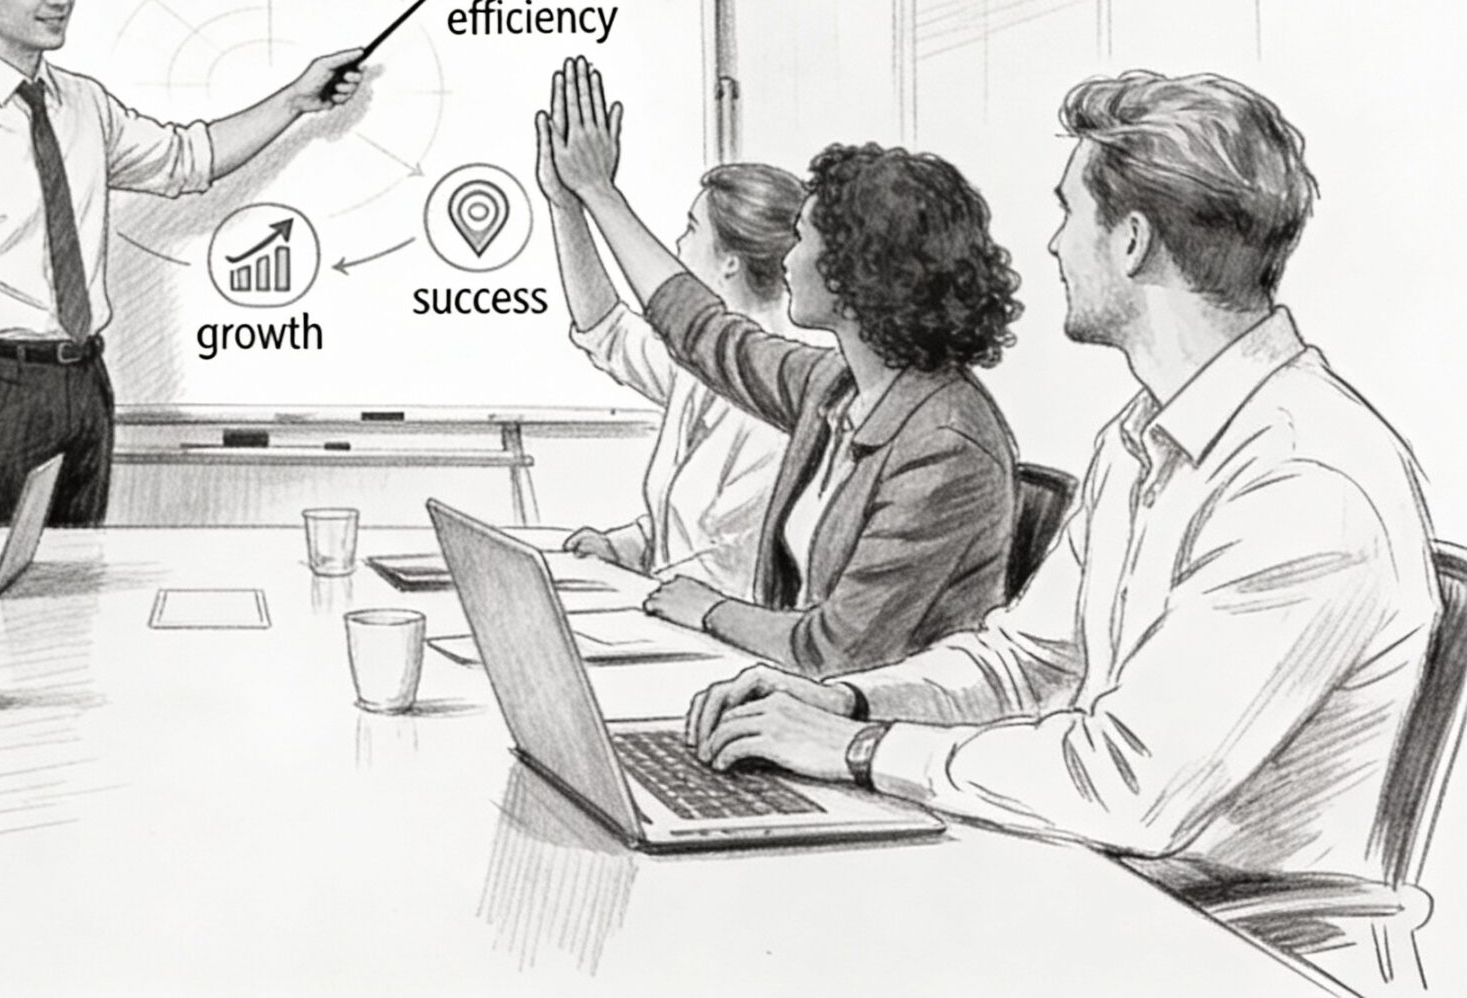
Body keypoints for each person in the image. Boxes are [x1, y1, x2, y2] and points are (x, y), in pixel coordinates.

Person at [684, 73, 1437, 985]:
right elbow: (1023, 662)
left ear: (1130, 240)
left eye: (1068, 212)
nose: (1051, 242)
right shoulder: (1141, 443)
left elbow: (1126, 784)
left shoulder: (1307, 479)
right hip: (1112, 893)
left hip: (1237, 952)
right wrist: (850, 701)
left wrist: (859, 750)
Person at [0, 0, 366, 529]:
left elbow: (187, 158)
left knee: (78, 586)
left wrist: (294, 100)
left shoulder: (83, 104)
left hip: (86, 387)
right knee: (2, 601)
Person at [543, 55, 1020, 675]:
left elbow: (838, 647)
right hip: (794, 697)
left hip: (862, 728)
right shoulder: (837, 386)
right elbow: (701, 331)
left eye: (803, 238)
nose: (786, 259)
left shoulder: (946, 444)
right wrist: (588, 200)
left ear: (856, 271)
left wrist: (710, 610)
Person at [538, 124, 803, 600]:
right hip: (671, 621)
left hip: (721, 647)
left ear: (730, 263)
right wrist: (567, 208)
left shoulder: (778, 408)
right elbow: (608, 330)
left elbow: (726, 575)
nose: (677, 246)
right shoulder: (701, 370)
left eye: (691, 229)